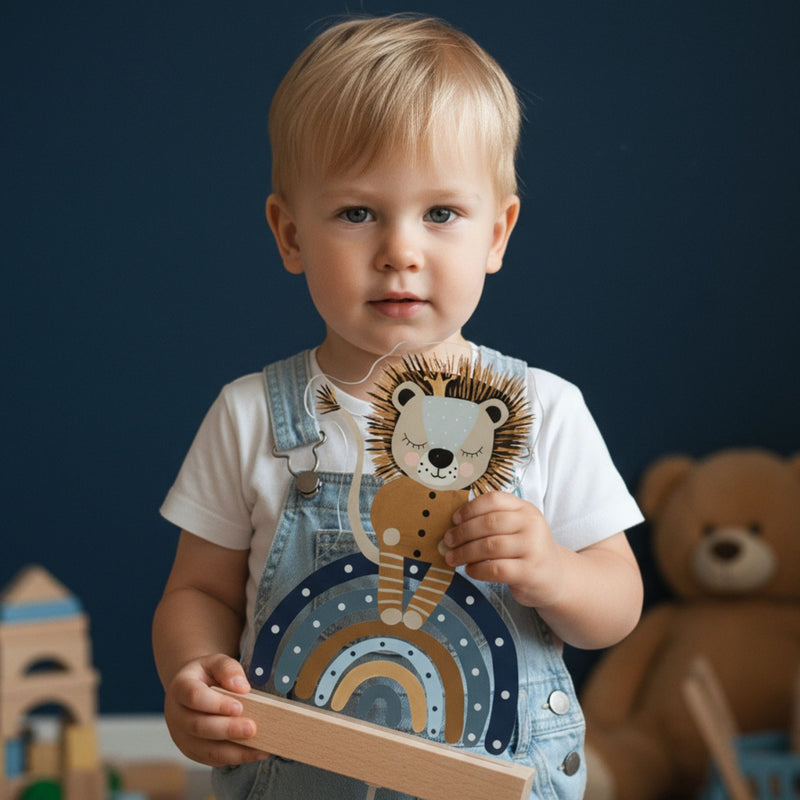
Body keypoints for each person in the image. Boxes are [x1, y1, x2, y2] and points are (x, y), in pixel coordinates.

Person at [153, 14, 644, 800]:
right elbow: (199, 592)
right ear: (289, 234)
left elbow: (616, 604)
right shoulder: (249, 416)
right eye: (357, 213)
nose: (401, 251)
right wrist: (192, 675)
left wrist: (553, 570)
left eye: (441, 214)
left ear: (498, 232)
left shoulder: (544, 409)